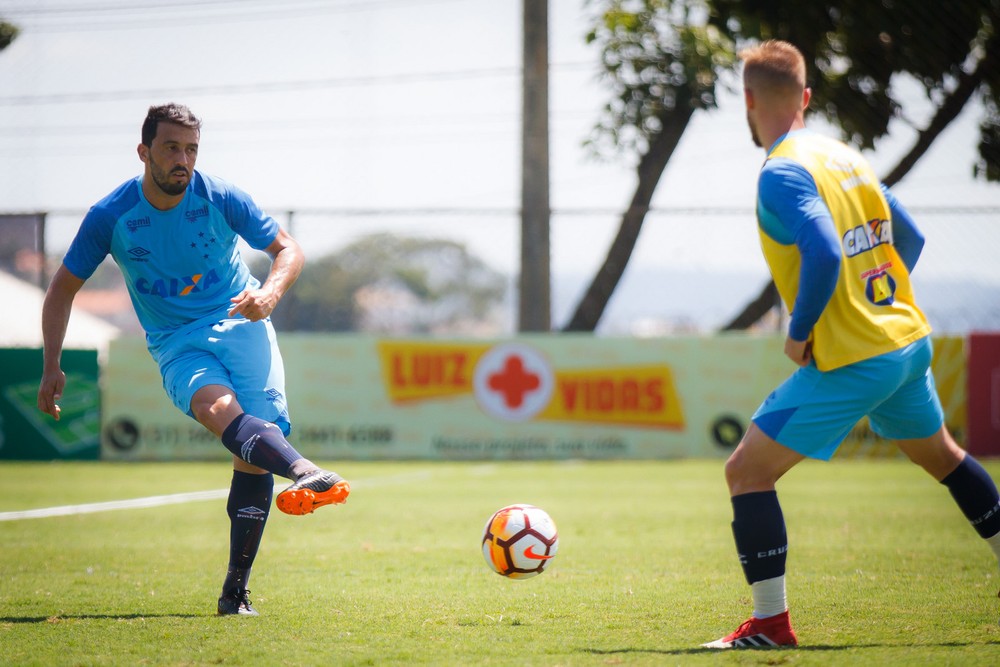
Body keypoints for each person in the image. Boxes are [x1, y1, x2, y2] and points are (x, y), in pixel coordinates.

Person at [704, 40, 1000, 649]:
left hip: (857, 358)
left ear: (748, 100)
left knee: (746, 473)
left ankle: (769, 626)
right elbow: (909, 238)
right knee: (944, 457)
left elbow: (822, 248)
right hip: (907, 342)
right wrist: (879, 305)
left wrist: (801, 328)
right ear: (807, 98)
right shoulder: (846, 158)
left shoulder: (782, 172)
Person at [37, 103, 351, 617]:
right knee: (215, 410)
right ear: (144, 152)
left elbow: (287, 249)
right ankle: (305, 469)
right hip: (176, 339)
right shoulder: (110, 216)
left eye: (191, 149)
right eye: (171, 148)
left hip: (241, 322)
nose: (183, 159)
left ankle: (235, 594)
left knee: (250, 453)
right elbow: (61, 291)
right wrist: (52, 365)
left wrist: (269, 295)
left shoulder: (221, 195)